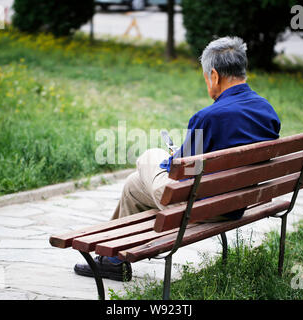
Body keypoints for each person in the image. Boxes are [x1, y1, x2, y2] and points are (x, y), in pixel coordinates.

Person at [74, 36, 281, 282]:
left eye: (206, 78)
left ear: (214, 76)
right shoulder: (267, 110)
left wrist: (172, 159)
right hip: (236, 204)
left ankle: (112, 258)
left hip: (202, 208)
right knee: (133, 185)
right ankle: (113, 260)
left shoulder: (208, 117)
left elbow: (179, 172)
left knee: (150, 156)